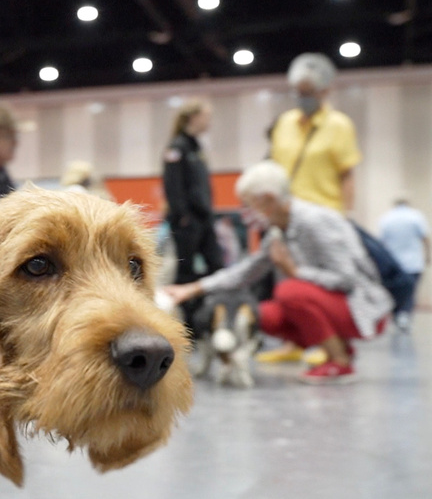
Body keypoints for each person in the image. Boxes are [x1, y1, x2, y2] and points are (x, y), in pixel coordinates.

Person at [165, 160, 392, 385]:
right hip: (335, 303)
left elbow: (347, 279)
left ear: (269, 200)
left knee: (289, 291)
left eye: (249, 204)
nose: (246, 212)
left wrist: (295, 271)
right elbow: (246, 272)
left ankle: (340, 361)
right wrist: (192, 288)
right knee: (261, 315)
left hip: (362, 307)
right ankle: (342, 348)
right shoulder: (278, 229)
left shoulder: (315, 221)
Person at [269, 53, 361, 215]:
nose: (303, 97)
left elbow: (347, 176)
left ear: (324, 91)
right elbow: (276, 172)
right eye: (299, 92)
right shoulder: (284, 122)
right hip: (289, 215)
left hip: (325, 214)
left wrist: (348, 214)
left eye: (309, 92)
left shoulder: (340, 125)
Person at [162, 100, 224, 329]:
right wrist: (182, 216)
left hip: (204, 219)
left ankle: (214, 318)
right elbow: (173, 186)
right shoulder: (177, 148)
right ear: (193, 118)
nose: (209, 122)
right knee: (185, 271)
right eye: (206, 116)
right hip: (187, 222)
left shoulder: (197, 147)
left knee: (216, 266)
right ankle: (189, 326)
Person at [378, 196, 430, 331]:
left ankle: (398, 314)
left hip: (394, 263)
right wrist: (428, 256)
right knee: (411, 291)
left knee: (396, 291)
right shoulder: (416, 216)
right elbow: (425, 238)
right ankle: (405, 315)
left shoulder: (386, 218)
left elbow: (381, 242)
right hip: (414, 262)